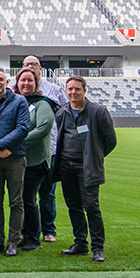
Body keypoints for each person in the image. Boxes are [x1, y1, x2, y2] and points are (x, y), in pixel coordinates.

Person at [52, 76, 118, 263]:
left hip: (87, 167)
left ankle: (98, 247)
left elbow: (110, 141)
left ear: (84, 91)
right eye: (70, 89)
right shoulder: (62, 112)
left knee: (91, 206)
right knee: (73, 206)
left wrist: (94, 157)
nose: (73, 93)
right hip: (66, 166)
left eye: (77, 89)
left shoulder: (98, 112)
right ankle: (80, 243)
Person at [0, 67, 30, 257]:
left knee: (16, 201)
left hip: (15, 158)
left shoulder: (19, 101)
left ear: (7, 82)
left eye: (1, 79)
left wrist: (0, 145)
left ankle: (13, 241)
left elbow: (23, 128)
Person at [22, 55, 65, 243]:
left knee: (47, 192)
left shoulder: (53, 90)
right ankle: (29, 229)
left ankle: (49, 230)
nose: (30, 67)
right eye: (26, 65)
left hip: (51, 148)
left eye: (34, 65)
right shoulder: (18, 94)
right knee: (25, 195)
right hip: (24, 152)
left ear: (40, 68)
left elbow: (65, 113)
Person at [14, 67, 56, 252]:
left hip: (35, 161)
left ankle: (33, 238)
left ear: (36, 83)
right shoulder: (16, 102)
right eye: (23, 80)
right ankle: (24, 234)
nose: (26, 84)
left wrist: (17, 143)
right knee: (21, 199)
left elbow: (43, 129)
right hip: (17, 161)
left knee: (29, 199)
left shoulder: (42, 104)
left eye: (30, 81)